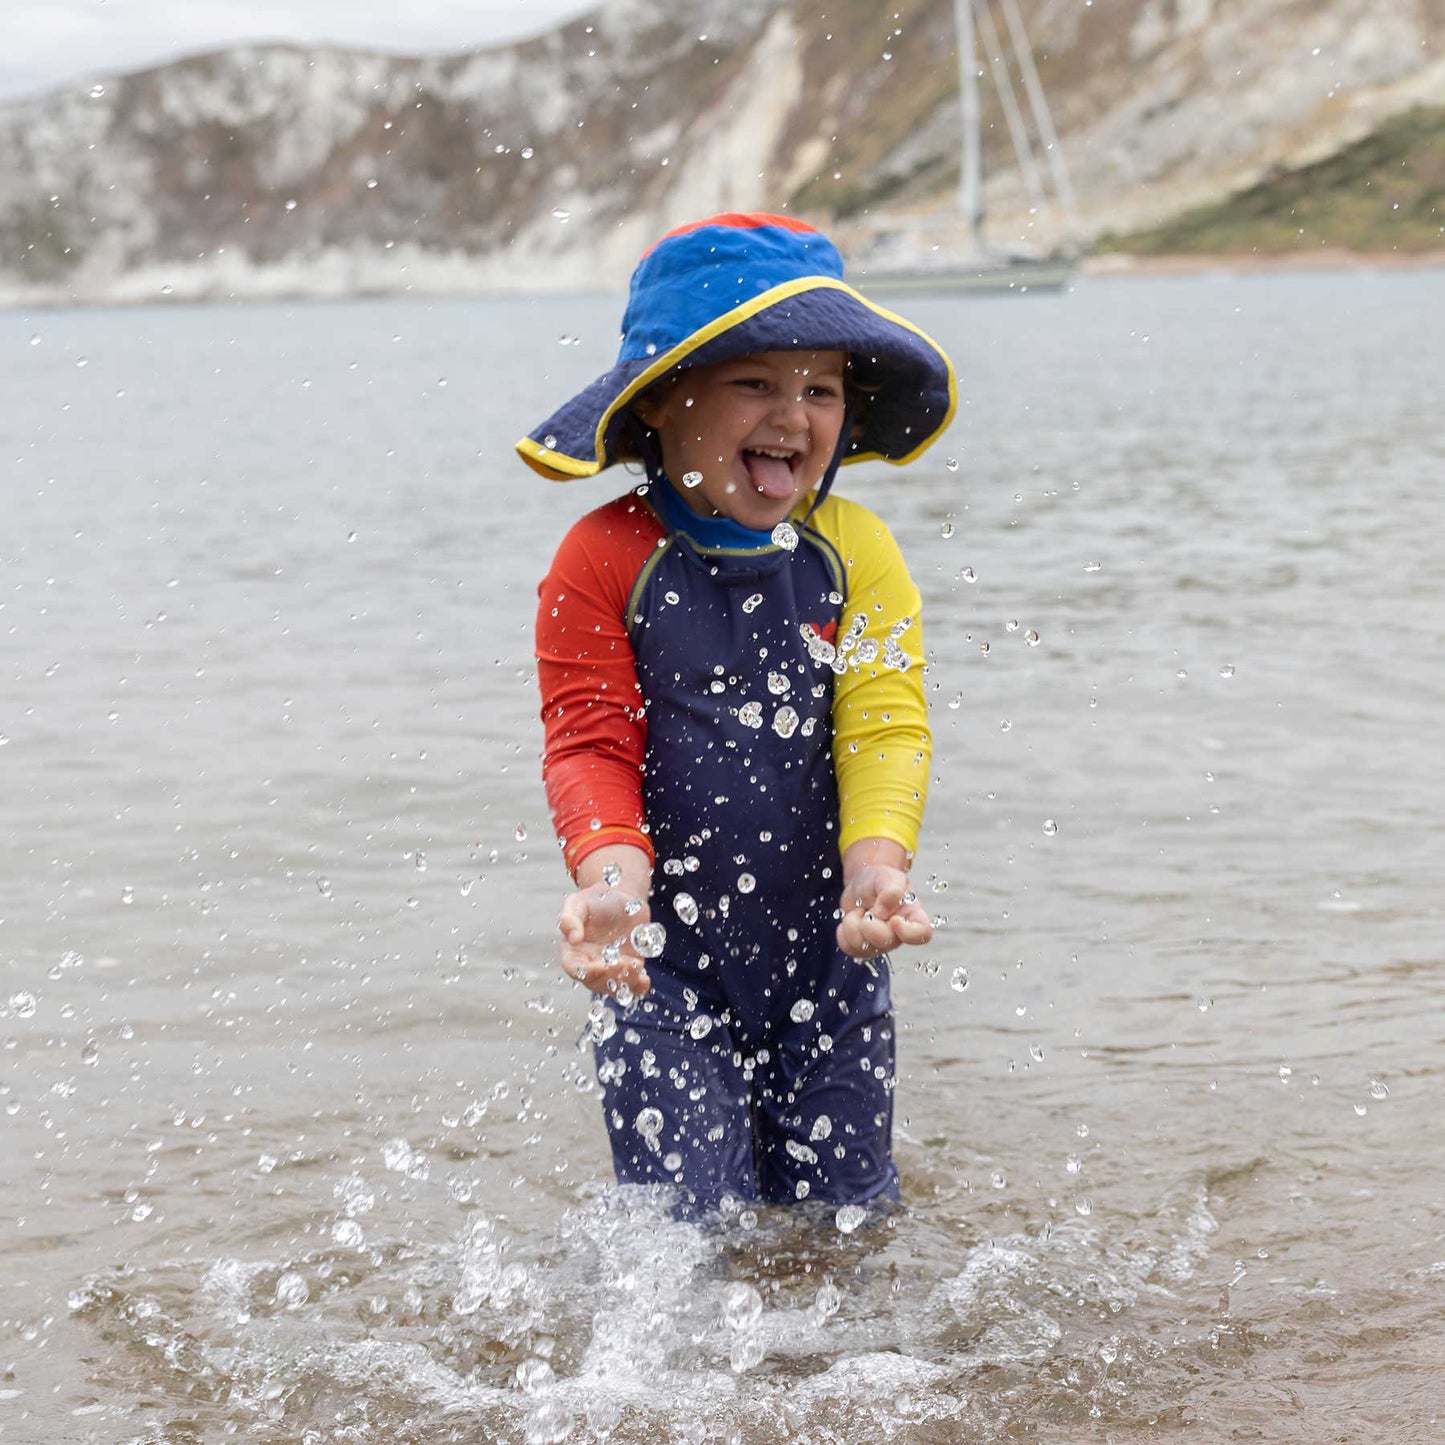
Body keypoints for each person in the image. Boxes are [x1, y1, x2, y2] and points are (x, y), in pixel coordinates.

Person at [518, 212, 956, 1216]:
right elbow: (589, 743)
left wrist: (877, 870)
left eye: (821, 388)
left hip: (830, 960)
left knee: (848, 1227)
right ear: (666, 398)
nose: (792, 415)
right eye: (755, 382)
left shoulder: (854, 553)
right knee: (677, 1241)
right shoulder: (600, 558)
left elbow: (883, 726)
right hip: (661, 973)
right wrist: (612, 888)